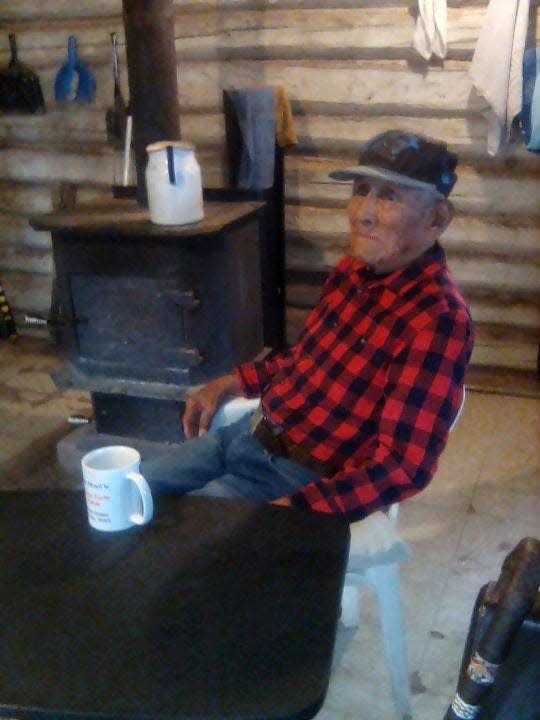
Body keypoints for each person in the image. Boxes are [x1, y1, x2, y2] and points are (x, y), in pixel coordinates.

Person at [143, 130, 474, 522]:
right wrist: (231, 382)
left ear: (436, 219)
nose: (363, 212)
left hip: (295, 478)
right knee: (133, 488)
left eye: (389, 196)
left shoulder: (437, 319)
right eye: (361, 189)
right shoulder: (352, 271)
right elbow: (305, 360)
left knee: (182, 534)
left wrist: (297, 510)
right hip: (249, 433)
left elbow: (403, 466)